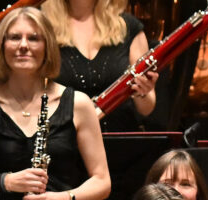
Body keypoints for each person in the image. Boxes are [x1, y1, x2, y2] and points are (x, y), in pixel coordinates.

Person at [0, 7, 110, 200]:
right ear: (1, 46)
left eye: (33, 38)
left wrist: (65, 199)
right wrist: (5, 181)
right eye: (14, 37)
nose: (23, 45)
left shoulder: (78, 104)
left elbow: (102, 181)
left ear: (47, 46)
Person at [45, 0, 158, 132]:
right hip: (64, 141)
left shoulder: (129, 27)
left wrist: (143, 92)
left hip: (120, 140)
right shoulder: (42, 27)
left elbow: (147, 109)